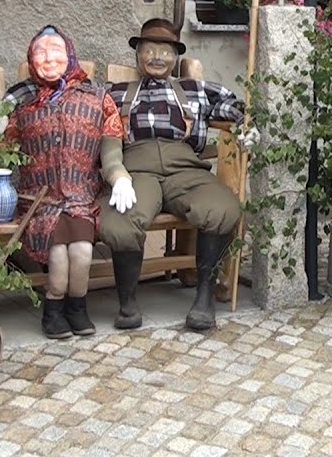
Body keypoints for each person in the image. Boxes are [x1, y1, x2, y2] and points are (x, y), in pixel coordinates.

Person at [98, 17, 255, 332]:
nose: (157, 58)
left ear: (176, 57)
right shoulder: (115, 93)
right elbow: (78, 104)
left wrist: (246, 125)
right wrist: (116, 173)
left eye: (165, 51)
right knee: (120, 219)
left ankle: (204, 297)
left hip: (185, 167)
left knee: (221, 207)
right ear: (137, 54)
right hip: (136, 168)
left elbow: (235, 106)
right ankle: (128, 303)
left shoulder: (193, 90)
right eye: (149, 50)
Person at [0, 25, 126, 339]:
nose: (48, 57)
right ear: (31, 59)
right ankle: (53, 306)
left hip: (81, 196)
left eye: (55, 50)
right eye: (40, 51)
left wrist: (120, 177)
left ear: (69, 55)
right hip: (40, 199)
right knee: (58, 256)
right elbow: (1, 153)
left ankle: (77, 306)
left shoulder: (98, 99)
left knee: (82, 251)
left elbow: (111, 150)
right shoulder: (23, 105)